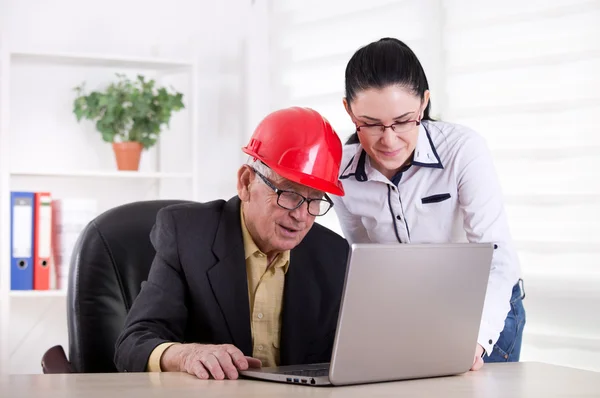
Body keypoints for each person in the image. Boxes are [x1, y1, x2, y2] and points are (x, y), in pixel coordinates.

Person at [330, 38, 526, 370]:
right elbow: (366, 263)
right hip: (409, 312)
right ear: (349, 110)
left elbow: (498, 256)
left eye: (403, 121)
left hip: (483, 307)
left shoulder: (463, 150)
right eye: (372, 124)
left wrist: (473, 341)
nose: (389, 140)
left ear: (423, 104)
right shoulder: (341, 173)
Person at [114, 107, 350, 380]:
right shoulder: (187, 236)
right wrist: (186, 355)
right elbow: (133, 343)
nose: (300, 215)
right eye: (288, 193)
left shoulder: (334, 255)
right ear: (246, 182)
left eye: (315, 200)